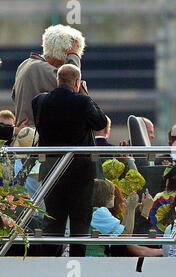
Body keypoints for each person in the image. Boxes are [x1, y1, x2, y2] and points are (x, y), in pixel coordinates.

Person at [32, 64, 107, 257]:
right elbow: (100, 122)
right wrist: (86, 94)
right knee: (79, 221)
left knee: (53, 220)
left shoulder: (39, 101)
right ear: (76, 82)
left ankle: (49, 262)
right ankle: (77, 264)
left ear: (57, 80)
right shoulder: (82, 102)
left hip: (50, 169)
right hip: (79, 173)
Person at [12, 24, 85, 127]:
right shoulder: (40, 69)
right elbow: (71, 82)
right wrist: (73, 55)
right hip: (37, 137)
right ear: (61, 55)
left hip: (26, 134)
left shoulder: (25, 65)